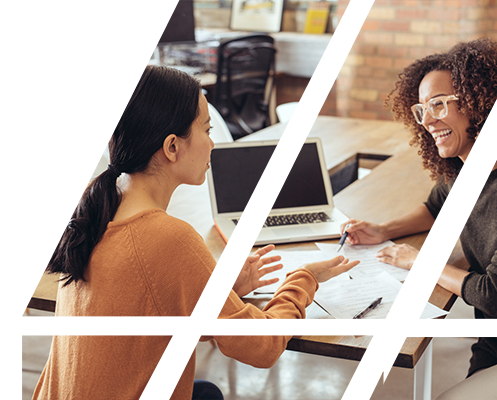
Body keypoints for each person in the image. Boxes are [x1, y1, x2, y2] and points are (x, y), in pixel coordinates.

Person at [33, 65, 359, 400]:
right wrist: (303, 280)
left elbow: (145, 311)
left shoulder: (96, 207)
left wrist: (219, 293)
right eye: (206, 129)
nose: (212, 144)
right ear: (172, 147)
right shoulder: (168, 237)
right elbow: (261, 348)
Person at [341, 38, 497, 400]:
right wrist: (383, 230)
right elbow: (436, 207)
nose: (428, 121)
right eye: (422, 110)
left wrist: (417, 261)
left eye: (438, 104)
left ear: (481, 103)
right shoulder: (463, 170)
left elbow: (493, 294)